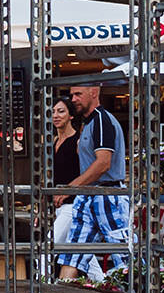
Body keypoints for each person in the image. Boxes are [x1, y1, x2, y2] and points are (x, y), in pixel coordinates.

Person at [60, 84, 130, 282]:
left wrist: (70, 188)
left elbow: (103, 163)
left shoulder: (102, 120)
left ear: (94, 92)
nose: (73, 99)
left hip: (107, 194)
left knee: (124, 254)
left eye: (78, 94)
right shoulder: (88, 122)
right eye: (71, 94)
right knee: (73, 251)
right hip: (89, 193)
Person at [47, 98, 82, 256]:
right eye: (53, 112)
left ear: (71, 116)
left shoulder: (78, 142)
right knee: (79, 254)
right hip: (57, 207)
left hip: (73, 205)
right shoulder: (53, 142)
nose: (56, 115)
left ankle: (40, 280)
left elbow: (87, 175)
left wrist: (70, 190)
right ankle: (102, 279)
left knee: (47, 247)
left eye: (61, 111)